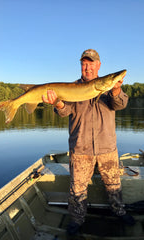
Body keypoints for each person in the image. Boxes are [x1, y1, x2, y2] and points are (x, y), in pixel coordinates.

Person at [42, 49, 135, 235]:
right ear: (81, 66)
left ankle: (119, 211)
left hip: (106, 147)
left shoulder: (109, 89)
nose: (88, 67)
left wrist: (116, 89)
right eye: (84, 64)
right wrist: (58, 103)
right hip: (81, 147)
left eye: (91, 63)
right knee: (77, 188)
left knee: (114, 184)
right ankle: (76, 219)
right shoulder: (73, 87)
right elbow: (64, 111)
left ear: (98, 65)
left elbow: (120, 104)